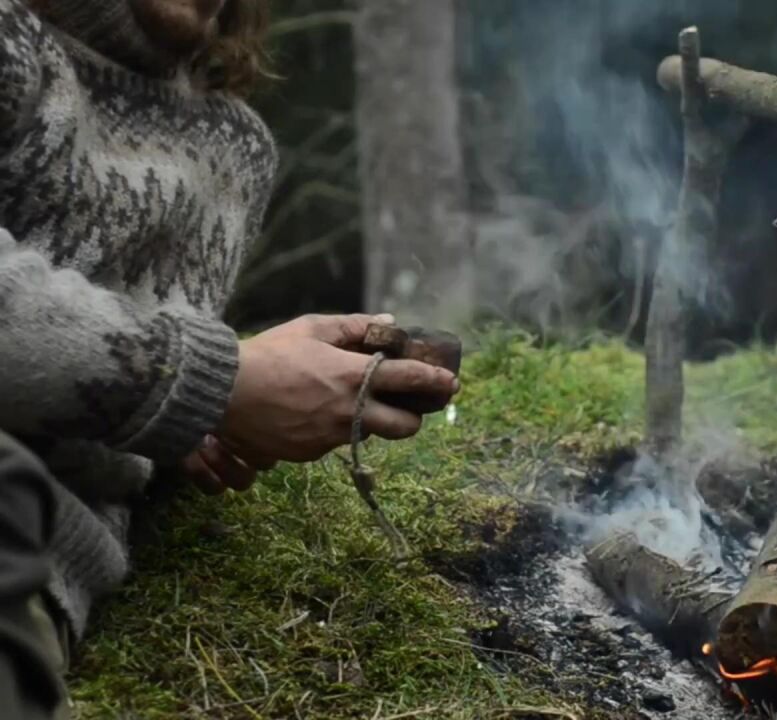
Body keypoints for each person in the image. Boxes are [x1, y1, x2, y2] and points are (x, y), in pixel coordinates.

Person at [0, 0, 460, 716]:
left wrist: (189, 424)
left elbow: (124, 398)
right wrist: (211, 382)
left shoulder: (233, 148)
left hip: (34, 563)